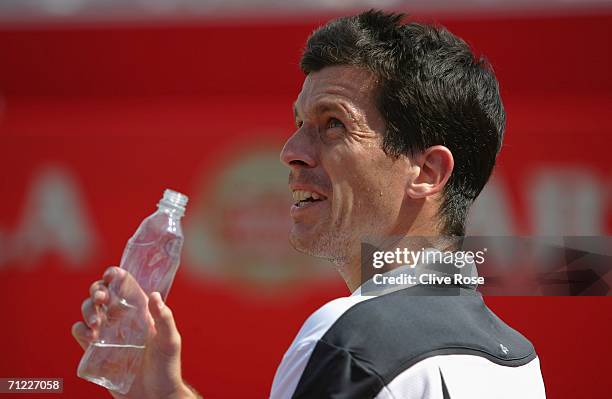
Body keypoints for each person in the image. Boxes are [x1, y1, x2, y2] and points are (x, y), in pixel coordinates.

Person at [72, 9, 546, 398]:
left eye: (333, 124)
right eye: (299, 121)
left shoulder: (349, 337)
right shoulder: (517, 359)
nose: (291, 151)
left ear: (426, 173)